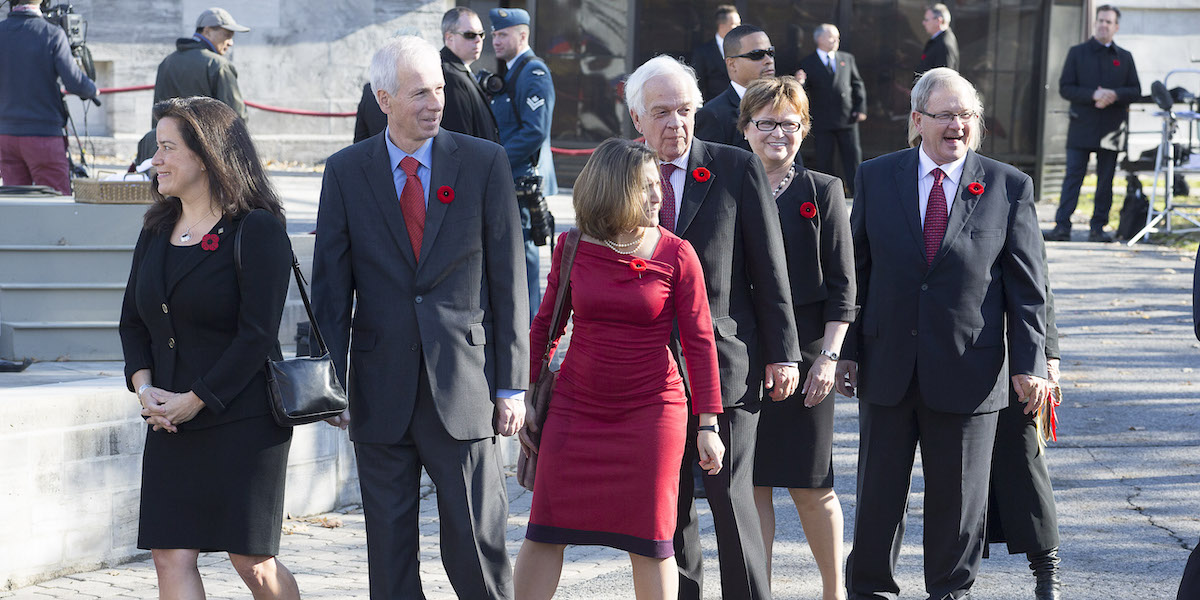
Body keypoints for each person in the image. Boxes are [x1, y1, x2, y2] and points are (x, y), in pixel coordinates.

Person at [310, 36, 528, 599]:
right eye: (418, 94)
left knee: (476, 548)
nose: (435, 103)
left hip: (464, 387)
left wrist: (513, 385)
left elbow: (509, 283)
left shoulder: (483, 162)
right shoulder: (346, 172)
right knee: (388, 555)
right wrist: (330, 385)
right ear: (383, 98)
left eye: (439, 89)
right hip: (379, 395)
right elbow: (331, 293)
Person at [836, 67, 1051, 600]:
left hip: (970, 370)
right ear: (917, 120)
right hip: (888, 367)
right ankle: (871, 591)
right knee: (879, 496)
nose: (957, 125)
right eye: (945, 115)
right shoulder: (875, 176)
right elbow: (856, 274)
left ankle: (950, 593)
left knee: (958, 505)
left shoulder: (1008, 186)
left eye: (966, 116)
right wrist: (844, 351)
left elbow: (1029, 290)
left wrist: (1033, 364)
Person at [513, 138, 726, 600]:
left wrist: (708, 422)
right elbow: (544, 328)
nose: (659, 196)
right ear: (614, 190)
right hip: (575, 408)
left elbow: (700, 342)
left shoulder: (677, 253)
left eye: (658, 186)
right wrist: (529, 396)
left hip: (653, 413)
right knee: (545, 529)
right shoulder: (572, 245)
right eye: (647, 187)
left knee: (651, 541)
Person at [624, 54, 802, 600]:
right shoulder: (617, 174)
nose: (675, 122)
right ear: (637, 120)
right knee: (667, 507)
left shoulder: (732, 167)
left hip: (724, 368)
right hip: (646, 372)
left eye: (685, 110)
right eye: (662, 112)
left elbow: (768, 270)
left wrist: (785, 354)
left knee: (731, 499)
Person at [118, 96, 298, 599]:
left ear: (206, 155)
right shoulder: (155, 229)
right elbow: (133, 322)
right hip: (170, 419)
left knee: (252, 562)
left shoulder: (257, 229)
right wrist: (146, 386)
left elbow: (257, 335)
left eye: (167, 148)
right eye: (157, 148)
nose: (156, 160)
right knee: (170, 554)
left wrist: (195, 398)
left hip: (243, 417)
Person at [739, 77, 856, 600]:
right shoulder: (727, 185)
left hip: (809, 352)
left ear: (805, 129)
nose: (777, 133)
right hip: (744, 351)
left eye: (789, 123)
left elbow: (843, 288)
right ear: (745, 129)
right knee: (754, 484)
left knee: (812, 484)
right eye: (765, 122)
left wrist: (829, 357)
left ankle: (834, 592)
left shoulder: (823, 190)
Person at [985, 254, 1063, 600]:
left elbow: (1036, 277)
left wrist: (1047, 355)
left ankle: (1047, 573)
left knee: (1025, 461)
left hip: (1014, 346)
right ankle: (956, 579)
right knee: (959, 474)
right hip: (947, 343)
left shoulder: (1011, 196)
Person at [1044, 5, 1140, 243]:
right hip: (1082, 126)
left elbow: (1135, 90)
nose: (1103, 25)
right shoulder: (1077, 52)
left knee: (1105, 181)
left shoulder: (1124, 57)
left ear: (1116, 27)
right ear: (1095, 23)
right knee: (1073, 177)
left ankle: (1098, 228)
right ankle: (1062, 227)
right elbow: (1066, 87)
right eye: (1100, 20)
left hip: (1111, 130)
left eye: (1108, 22)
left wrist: (1114, 94)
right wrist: (1093, 95)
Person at [489, 7, 557, 320]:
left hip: (523, 179)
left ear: (522, 35)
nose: (495, 40)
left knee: (525, 254)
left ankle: (530, 330)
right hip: (513, 177)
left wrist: (496, 159)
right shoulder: (514, 70)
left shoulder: (533, 72)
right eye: (494, 33)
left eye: (503, 34)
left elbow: (535, 131)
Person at [0, 0, 97, 195]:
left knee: (17, 203)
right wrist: (92, 89)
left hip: (5, 136)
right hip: (43, 134)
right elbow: (74, 82)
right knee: (56, 202)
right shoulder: (51, 33)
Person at [797, 24, 866, 194]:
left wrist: (860, 108)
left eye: (837, 37)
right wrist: (800, 83)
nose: (836, 40)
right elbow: (803, 92)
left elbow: (857, 84)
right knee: (825, 159)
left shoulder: (846, 58)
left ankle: (857, 192)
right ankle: (827, 193)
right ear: (818, 38)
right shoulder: (808, 62)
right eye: (831, 36)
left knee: (852, 157)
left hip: (847, 117)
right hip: (822, 119)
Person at [153, 7, 250, 126]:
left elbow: (157, 115)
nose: (230, 42)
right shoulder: (219, 66)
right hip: (206, 143)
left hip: (170, 142)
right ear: (207, 31)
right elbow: (236, 118)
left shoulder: (167, 62)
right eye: (227, 35)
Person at [695, 25, 775, 153]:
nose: (768, 60)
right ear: (732, 64)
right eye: (757, 55)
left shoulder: (783, 106)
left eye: (770, 52)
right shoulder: (713, 115)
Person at [439, 7, 500, 143]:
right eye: (470, 35)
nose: (478, 40)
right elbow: (459, 140)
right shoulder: (450, 76)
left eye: (481, 34)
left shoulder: (458, 71)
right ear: (449, 38)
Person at [691, 4, 741, 102]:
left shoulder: (744, 48)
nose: (739, 28)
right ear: (722, 26)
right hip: (714, 107)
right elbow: (697, 83)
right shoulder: (703, 51)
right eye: (734, 24)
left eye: (739, 23)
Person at [917, 3, 959, 73]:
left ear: (938, 21)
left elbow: (944, 78)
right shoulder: (940, 40)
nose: (923, 23)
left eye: (927, 20)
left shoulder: (944, 44)